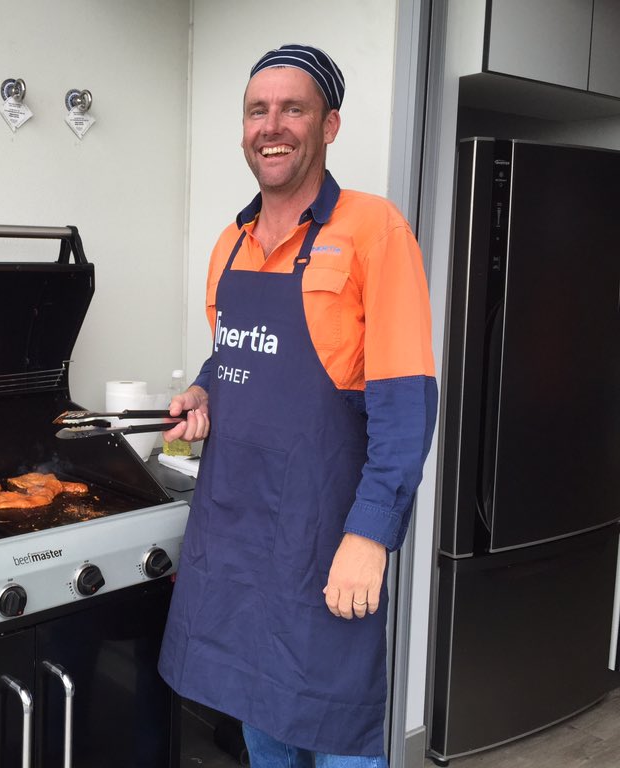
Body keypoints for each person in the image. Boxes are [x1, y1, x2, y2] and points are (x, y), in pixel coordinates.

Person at [157, 44, 437, 768]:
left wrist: (370, 536)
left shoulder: (376, 231)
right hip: (238, 538)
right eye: (258, 109)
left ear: (329, 125)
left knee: (340, 733)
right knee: (262, 727)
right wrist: (202, 393)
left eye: (293, 108)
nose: (271, 125)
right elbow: (234, 355)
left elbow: (406, 404)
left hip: (323, 539)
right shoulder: (230, 243)